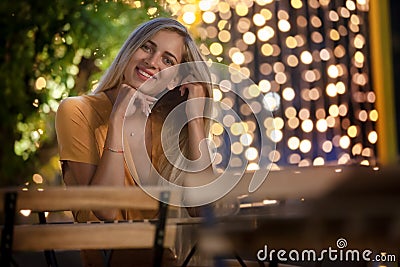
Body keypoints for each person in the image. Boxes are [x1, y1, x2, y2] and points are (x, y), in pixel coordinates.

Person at [55, 17, 213, 267]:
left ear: (175, 78)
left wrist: (194, 120)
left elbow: (205, 211)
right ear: (130, 50)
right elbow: (105, 211)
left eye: (168, 60)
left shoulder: (166, 127)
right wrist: (118, 116)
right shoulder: (76, 110)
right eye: (147, 47)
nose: (152, 62)